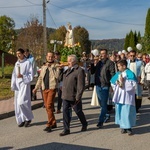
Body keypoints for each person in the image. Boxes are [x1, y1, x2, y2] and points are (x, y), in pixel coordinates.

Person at [59, 54, 88, 136]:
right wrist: (60, 70)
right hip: (65, 95)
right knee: (65, 112)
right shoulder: (67, 70)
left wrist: (78, 96)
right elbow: (59, 78)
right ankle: (66, 129)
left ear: (74, 61)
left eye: (70, 60)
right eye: (68, 60)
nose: (68, 62)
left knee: (78, 111)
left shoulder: (79, 70)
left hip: (74, 95)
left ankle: (84, 123)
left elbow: (80, 85)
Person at [32, 52, 60, 133]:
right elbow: (40, 78)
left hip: (52, 88)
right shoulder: (43, 66)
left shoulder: (56, 65)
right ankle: (53, 122)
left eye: (51, 57)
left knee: (48, 105)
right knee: (48, 107)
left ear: (54, 57)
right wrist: (36, 88)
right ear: (46, 57)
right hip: (44, 88)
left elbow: (57, 76)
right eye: (49, 56)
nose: (50, 58)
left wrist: (51, 68)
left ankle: (49, 124)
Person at [110, 60, 137, 135]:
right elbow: (113, 83)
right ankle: (122, 126)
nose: (118, 68)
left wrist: (124, 81)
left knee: (127, 112)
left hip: (127, 96)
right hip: (119, 96)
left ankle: (129, 127)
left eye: (119, 66)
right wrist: (117, 83)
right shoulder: (118, 73)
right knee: (120, 111)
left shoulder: (130, 73)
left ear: (124, 66)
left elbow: (133, 85)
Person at [91, 49, 115, 128]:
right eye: (101, 54)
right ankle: (106, 115)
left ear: (107, 54)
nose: (102, 55)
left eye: (104, 53)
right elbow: (92, 72)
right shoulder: (99, 63)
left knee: (104, 103)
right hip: (98, 85)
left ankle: (100, 121)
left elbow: (112, 74)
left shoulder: (110, 63)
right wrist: (92, 64)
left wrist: (112, 85)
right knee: (101, 103)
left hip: (105, 85)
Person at [11, 48, 34, 127]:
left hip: (24, 84)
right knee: (17, 104)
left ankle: (28, 118)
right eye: (17, 54)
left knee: (22, 102)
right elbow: (14, 74)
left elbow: (31, 75)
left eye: (19, 54)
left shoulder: (28, 63)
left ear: (23, 53)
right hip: (18, 85)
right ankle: (21, 119)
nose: (18, 55)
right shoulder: (17, 63)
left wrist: (23, 76)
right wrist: (13, 84)